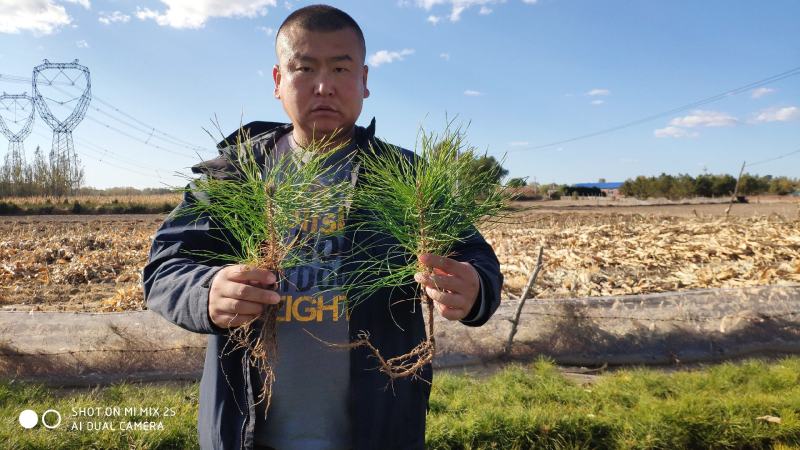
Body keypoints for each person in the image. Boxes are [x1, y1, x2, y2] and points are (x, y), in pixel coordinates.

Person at [143, 4, 503, 450]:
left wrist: (473, 290)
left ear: (365, 81)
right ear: (278, 81)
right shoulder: (235, 174)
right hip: (246, 435)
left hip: (377, 433)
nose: (323, 85)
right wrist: (207, 291)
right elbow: (165, 268)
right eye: (304, 67)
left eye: (340, 68)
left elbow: (476, 259)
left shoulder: (408, 177)